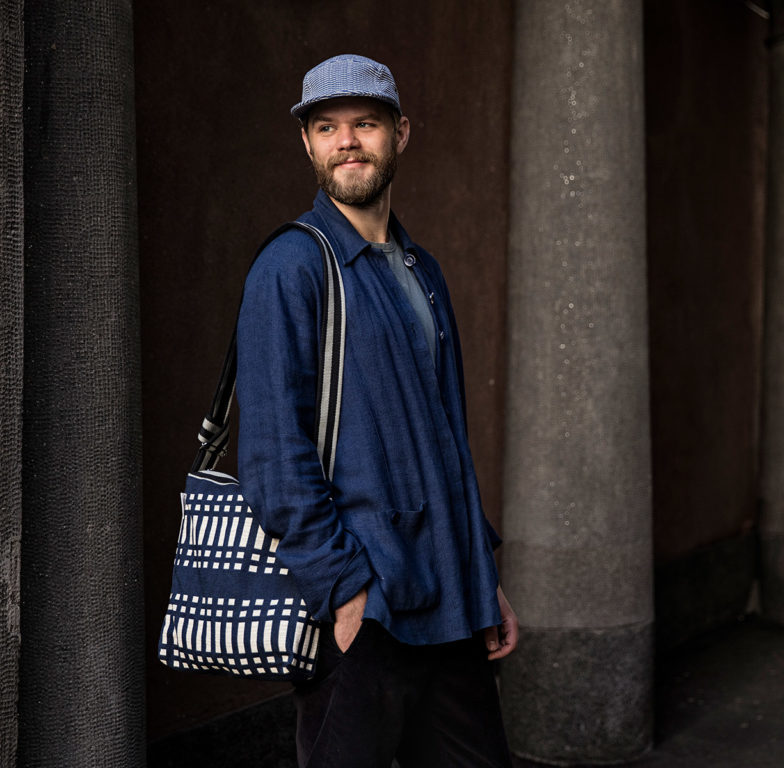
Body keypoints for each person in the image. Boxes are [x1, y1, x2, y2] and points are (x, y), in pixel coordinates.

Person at [236, 53, 518, 768]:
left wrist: (480, 578)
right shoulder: (291, 268)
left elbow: (446, 441)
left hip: (450, 601)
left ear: (401, 133)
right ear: (307, 144)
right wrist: (344, 591)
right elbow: (272, 456)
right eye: (326, 127)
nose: (347, 141)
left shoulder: (423, 271)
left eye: (365, 123)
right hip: (367, 607)